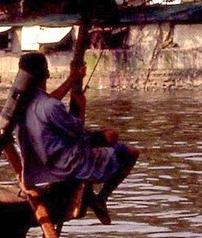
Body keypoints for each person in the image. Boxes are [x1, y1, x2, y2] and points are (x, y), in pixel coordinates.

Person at [14, 52, 139, 223]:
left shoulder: (20, 104)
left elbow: (49, 101)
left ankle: (94, 193)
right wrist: (81, 107)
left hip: (39, 166)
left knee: (110, 136)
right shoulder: (50, 106)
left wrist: (73, 78)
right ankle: (101, 198)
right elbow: (77, 133)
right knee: (130, 152)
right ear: (47, 74)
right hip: (67, 166)